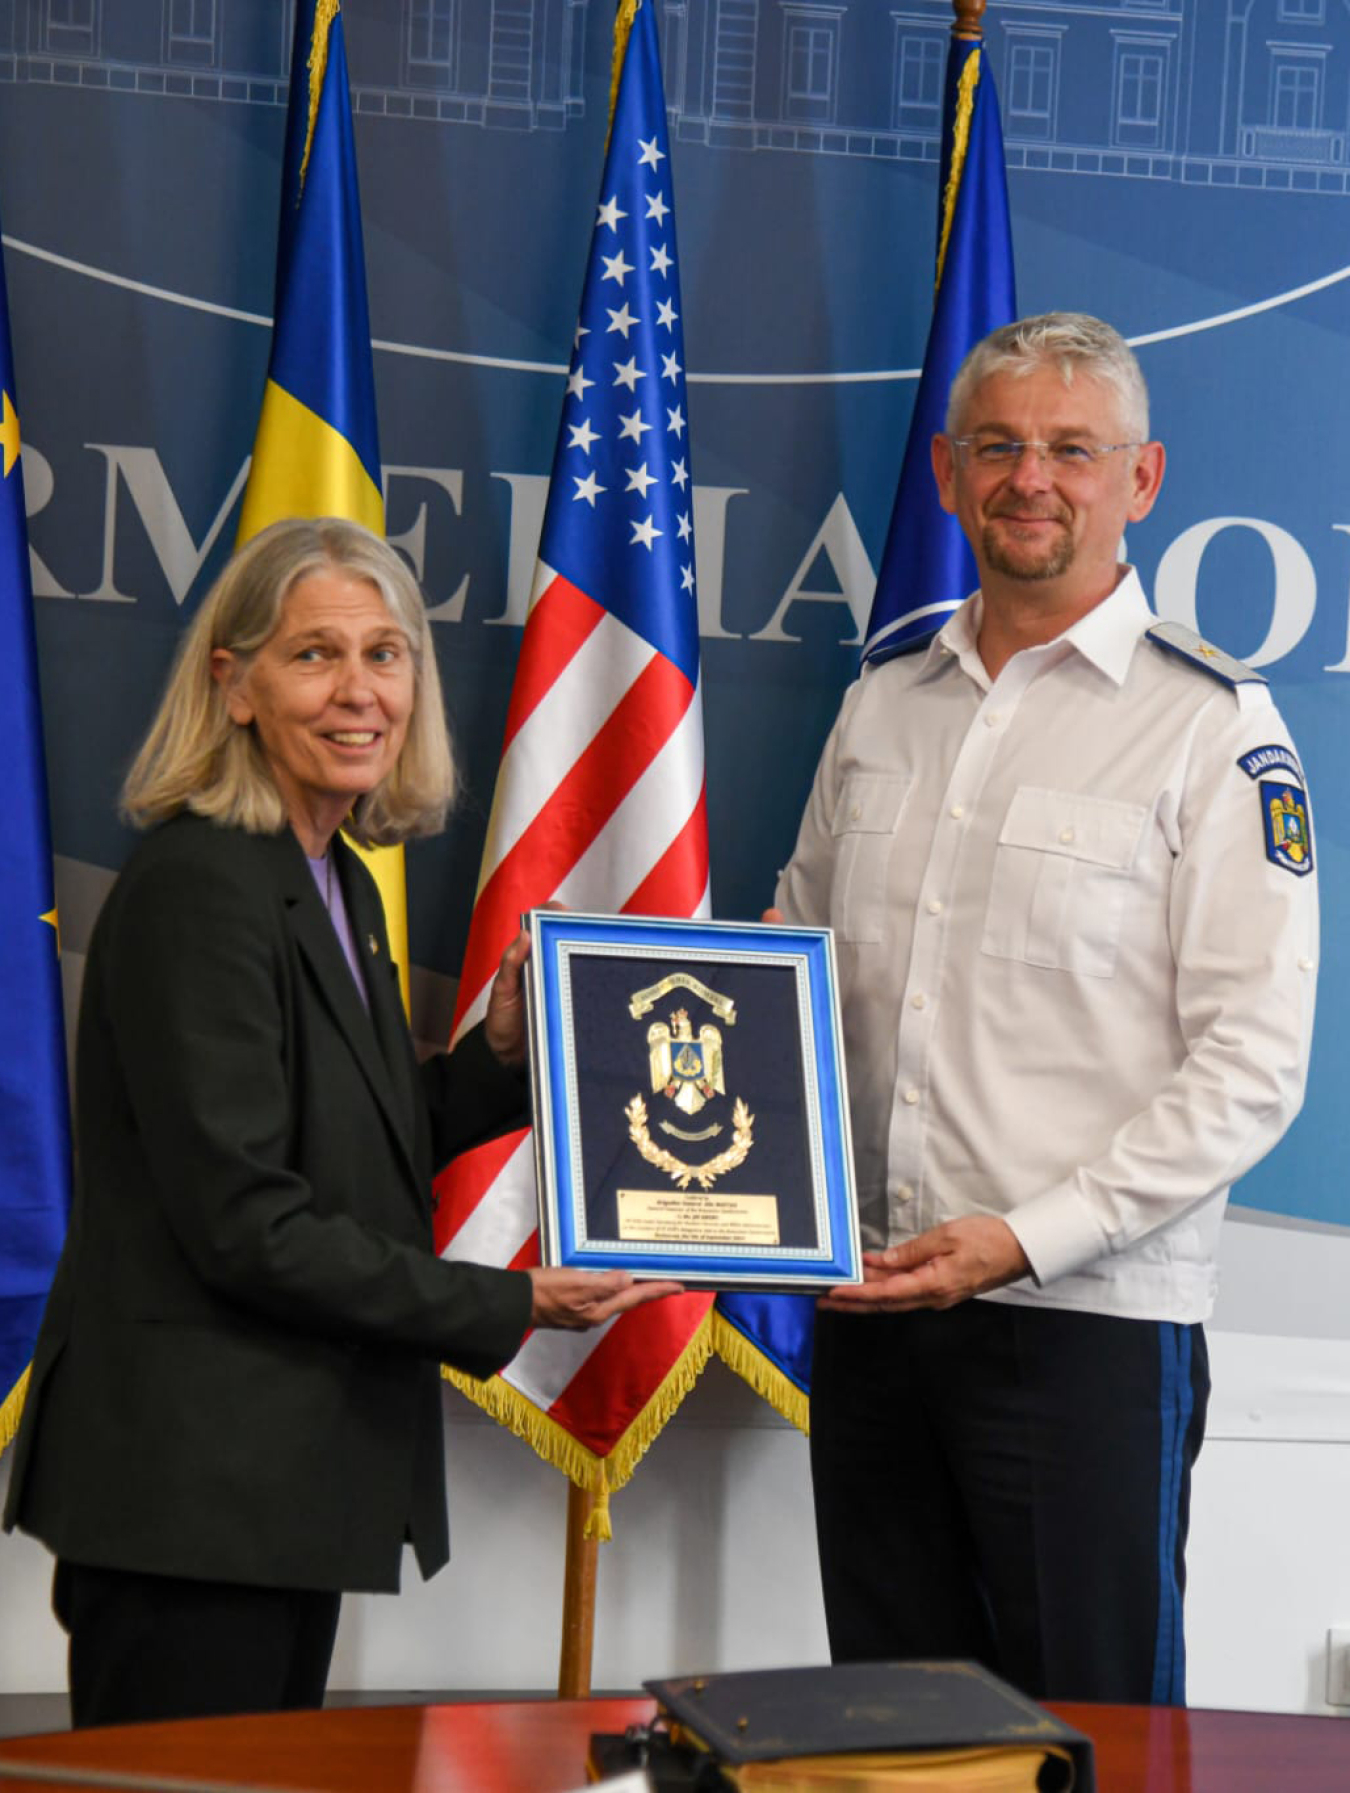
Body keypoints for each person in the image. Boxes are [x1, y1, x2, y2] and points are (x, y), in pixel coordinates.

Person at [2, 516, 680, 1728]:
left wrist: (505, 1052)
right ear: (236, 683)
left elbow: (357, 1132)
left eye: (387, 652)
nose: (360, 691)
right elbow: (247, 1218)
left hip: (270, 1485)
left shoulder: (324, 874)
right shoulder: (204, 884)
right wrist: (509, 1301)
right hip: (194, 1497)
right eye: (315, 654)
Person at [775, 314, 1317, 1704]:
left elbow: (1251, 1067)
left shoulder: (1213, 727)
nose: (1033, 480)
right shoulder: (882, 704)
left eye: (1073, 451)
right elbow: (789, 973)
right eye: (1001, 448)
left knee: (1093, 1732)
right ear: (949, 474)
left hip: (1083, 1323)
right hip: (876, 1306)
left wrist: (1021, 1239)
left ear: (1138, 482)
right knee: (888, 1729)